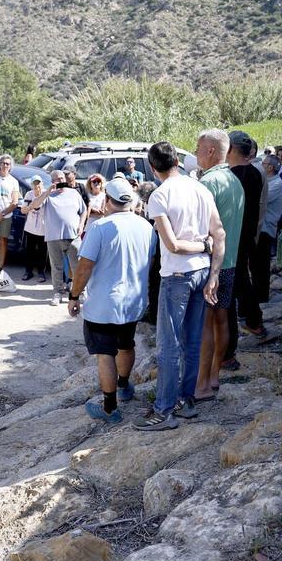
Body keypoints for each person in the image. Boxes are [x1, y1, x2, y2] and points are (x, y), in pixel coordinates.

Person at [135, 142, 222, 432]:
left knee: (169, 345)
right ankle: (186, 401)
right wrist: (213, 271)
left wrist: (198, 246)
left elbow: (171, 244)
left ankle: (163, 410)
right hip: (202, 271)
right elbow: (218, 232)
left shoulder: (159, 195)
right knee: (192, 341)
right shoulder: (201, 188)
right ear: (176, 160)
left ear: (152, 167)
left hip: (177, 275)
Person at [68, 179, 153, 423]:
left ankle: (109, 407)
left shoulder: (100, 228)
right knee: (126, 344)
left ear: (107, 200)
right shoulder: (146, 226)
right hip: (134, 300)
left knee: (105, 353)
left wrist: (74, 296)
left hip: (104, 304)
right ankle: (125, 386)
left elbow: (84, 267)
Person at [194, 129, 245, 402]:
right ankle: (214, 376)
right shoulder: (234, 180)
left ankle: (200, 383)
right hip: (231, 260)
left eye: (198, 147)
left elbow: (199, 227)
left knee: (205, 323)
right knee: (222, 319)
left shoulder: (208, 183)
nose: (195, 152)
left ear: (211, 150)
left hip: (211, 263)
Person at [225, 131, 267, 359]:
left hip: (235, 236)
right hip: (249, 234)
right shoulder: (256, 173)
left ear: (230, 149)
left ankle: (252, 322)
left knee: (238, 280)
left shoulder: (231, 176)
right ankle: (254, 320)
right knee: (242, 278)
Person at [35, 170, 86, 306]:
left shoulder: (74, 193)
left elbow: (84, 210)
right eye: (57, 179)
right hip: (53, 237)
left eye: (62, 178)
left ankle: (80, 292)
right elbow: (35, 205)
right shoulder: (48, 195)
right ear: (52, 181)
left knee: (77, 266)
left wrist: (81, 225)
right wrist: (47, 192)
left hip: (73, 236)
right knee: (56, 267)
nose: (61, 180)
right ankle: (57, 292)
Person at [256, 156, 282, 304]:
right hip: (259, 228)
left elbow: (261, 200)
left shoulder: (278, 184)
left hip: (266, 229)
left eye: (264, 163)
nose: (261, 165)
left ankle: (262, 297)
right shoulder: (266, 182)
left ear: (270, 168)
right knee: (255, 265)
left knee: (261, 266)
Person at [20, 176, 49, 282]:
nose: (36, 186)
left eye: (38, 183)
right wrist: (27, 209)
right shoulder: (29, 194)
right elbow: (23, 210)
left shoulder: (46, 194)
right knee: (29, 251)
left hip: (43, 228)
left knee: (42, 252)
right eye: (34, 183)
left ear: (42, 184)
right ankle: (28, 271)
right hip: (30, 227)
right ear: (32, 185)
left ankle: (41, 272)